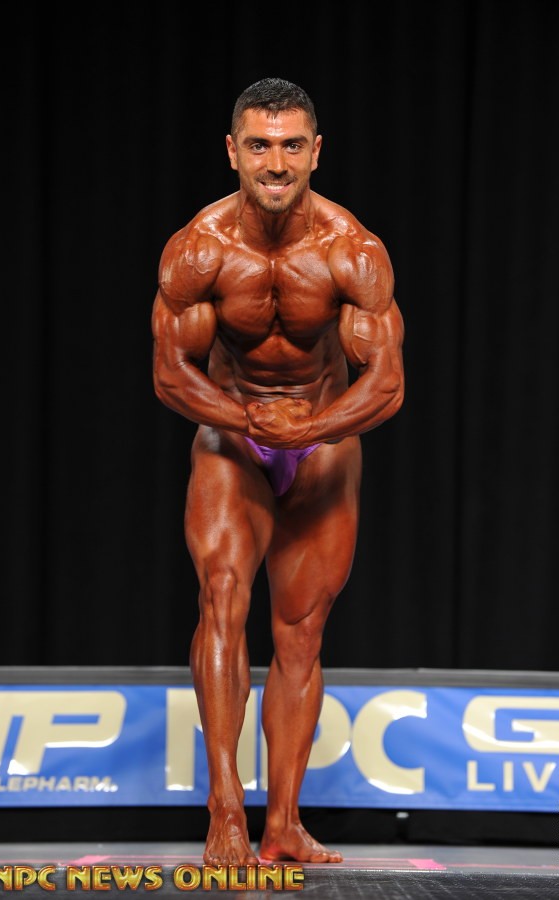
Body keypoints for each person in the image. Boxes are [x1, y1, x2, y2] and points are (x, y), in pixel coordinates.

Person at [152, 77, 404, 866]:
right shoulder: (198, 250)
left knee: (300, 634)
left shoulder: (351, 251)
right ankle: (225, 808)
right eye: (260, 145)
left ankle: (284, 823)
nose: (276, 162)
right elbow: (169, 374)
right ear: (232, 151)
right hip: (233, 437)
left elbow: (387, 384)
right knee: (222, 599)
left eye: (292, 145)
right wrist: (247, 420)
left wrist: (313, 426)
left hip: (324, 441)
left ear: (316, 152)